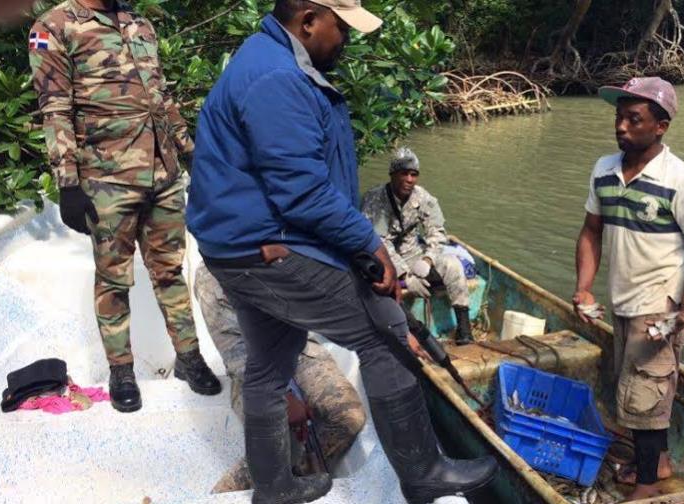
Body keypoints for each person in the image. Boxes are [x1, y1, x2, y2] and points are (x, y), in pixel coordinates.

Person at [185, 1, 498, 503]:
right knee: (386, 335)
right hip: (265, 249)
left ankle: (275, 487)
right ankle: (423, 474)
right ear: (308, 20)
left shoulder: (267, 58)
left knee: (269, 365)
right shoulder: (277, 79)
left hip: (239, 248)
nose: (347, 39)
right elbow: (303, 192)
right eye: (341, 27)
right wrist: (369, 244)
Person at [28, 0, 220, 413]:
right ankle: (122, 370)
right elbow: (55, 108)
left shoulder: (140, 23)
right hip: (107, 179)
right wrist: (68, 183)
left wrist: (194, 153)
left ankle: (188, 357)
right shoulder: (54, 26)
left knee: (169, 270)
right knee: (113, 280)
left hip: (163, 174)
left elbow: (161, 98)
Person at [573, 77, 684, 501]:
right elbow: (589, 233)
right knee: (639, 391)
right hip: (621, 299)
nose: (621, 126)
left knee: (643, 396)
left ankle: (649, 486)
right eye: (619, 117)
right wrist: (584, 289)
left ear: (661, 126)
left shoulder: (683, 181)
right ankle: (661, 461)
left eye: (634, 118)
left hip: (659, 306)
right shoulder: (604, 170)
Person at [194, 262, 366, 493]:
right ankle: (229, 494)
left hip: (304, 352)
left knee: (348, 416)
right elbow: (237, 353)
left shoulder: (290, 247)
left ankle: (303, 476)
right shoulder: (212, 272)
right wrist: (283, 395)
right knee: (278, 437)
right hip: (253, 370)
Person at [361, 147, 474, 345]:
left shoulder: (423, 198)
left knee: (453, 265)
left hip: (415, 254)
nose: (409, 179)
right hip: (383, 259)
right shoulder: (374, 199)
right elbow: (379, 242)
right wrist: (405, 276)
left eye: (414, 174)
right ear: (392, 174)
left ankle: (464, 329)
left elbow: (436, 233)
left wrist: (428, 259)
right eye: (404, 173)